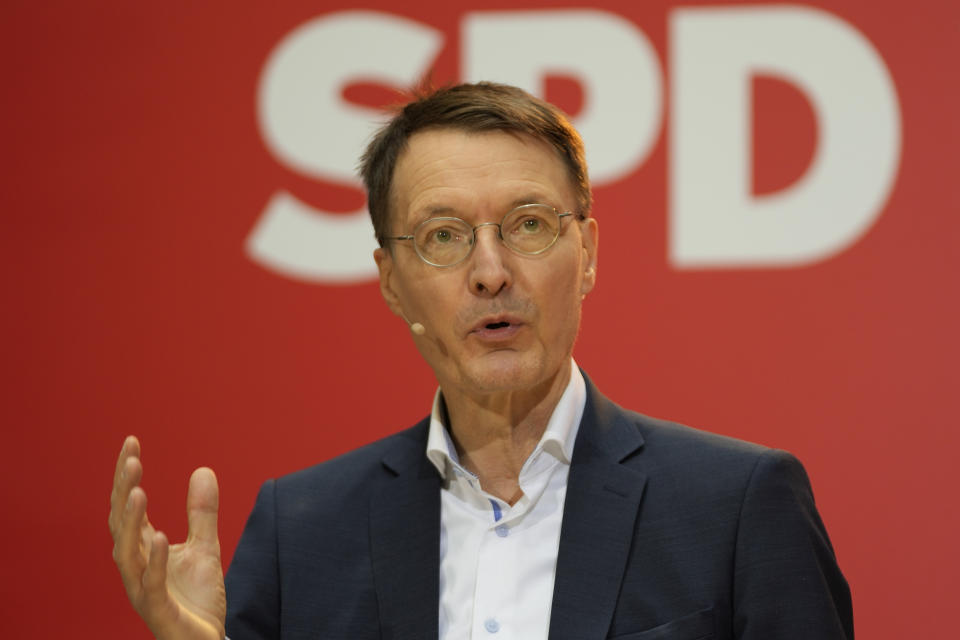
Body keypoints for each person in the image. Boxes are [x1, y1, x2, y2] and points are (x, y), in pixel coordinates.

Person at [109, 82, 853, 639]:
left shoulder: (737, 507)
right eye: (443, 235)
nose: (491, 271)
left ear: (587, 253)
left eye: (528, 225)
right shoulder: (299, 534)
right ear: (393, 282)